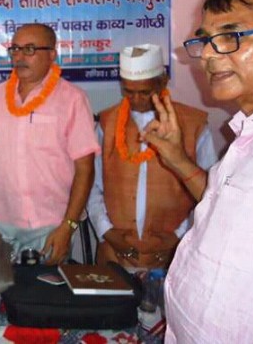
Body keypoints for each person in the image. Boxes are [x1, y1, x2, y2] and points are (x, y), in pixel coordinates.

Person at [140, 0, 253, 342]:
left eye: (231, 35)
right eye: (206, 40)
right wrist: (177, 159)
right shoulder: (247, 138)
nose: (208, 54)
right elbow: (222, 205)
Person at [0, 23, 100, 265]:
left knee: (44, 297)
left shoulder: (72, 99)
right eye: (15, 49)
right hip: (1, 221)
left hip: (51, 225)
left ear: (52, 54)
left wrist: (68, 226)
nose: (19, 57)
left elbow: (85, 167)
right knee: (1, 294)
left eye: (30, 49)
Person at [87, 44, 216, 269]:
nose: (136, 99)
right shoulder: (107, 123)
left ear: (162, 81)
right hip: (114, 252)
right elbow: (93, 186)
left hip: (174, 253)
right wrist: (106, 232)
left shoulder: (194, 125)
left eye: (145, 92)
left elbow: (209, 192)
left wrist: (179, 235)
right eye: (128, 91)